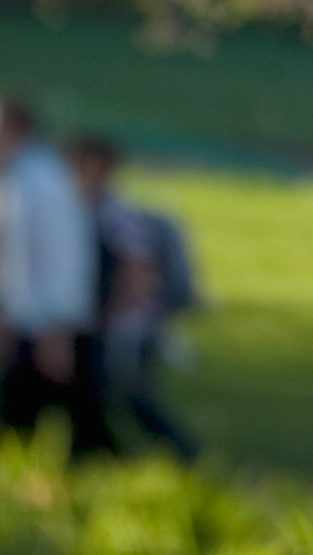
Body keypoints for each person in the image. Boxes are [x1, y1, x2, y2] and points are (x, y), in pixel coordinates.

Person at [0, 87, 111, 462]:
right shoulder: (18, 179)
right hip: (30, 323)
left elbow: (62, 258)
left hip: (46, 326)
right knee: (39, 421)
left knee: (63, 422)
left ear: (14, 130)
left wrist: (55, 327)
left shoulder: (41, 183)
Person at [65, 136, 198, 462]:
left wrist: (107, 313)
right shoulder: (87, 212)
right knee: (99, 396)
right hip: (115, 326)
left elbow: (137, 270)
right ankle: (98, 455)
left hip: (128, 329)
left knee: (131, 398)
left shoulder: (115, 216)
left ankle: (184, 454)